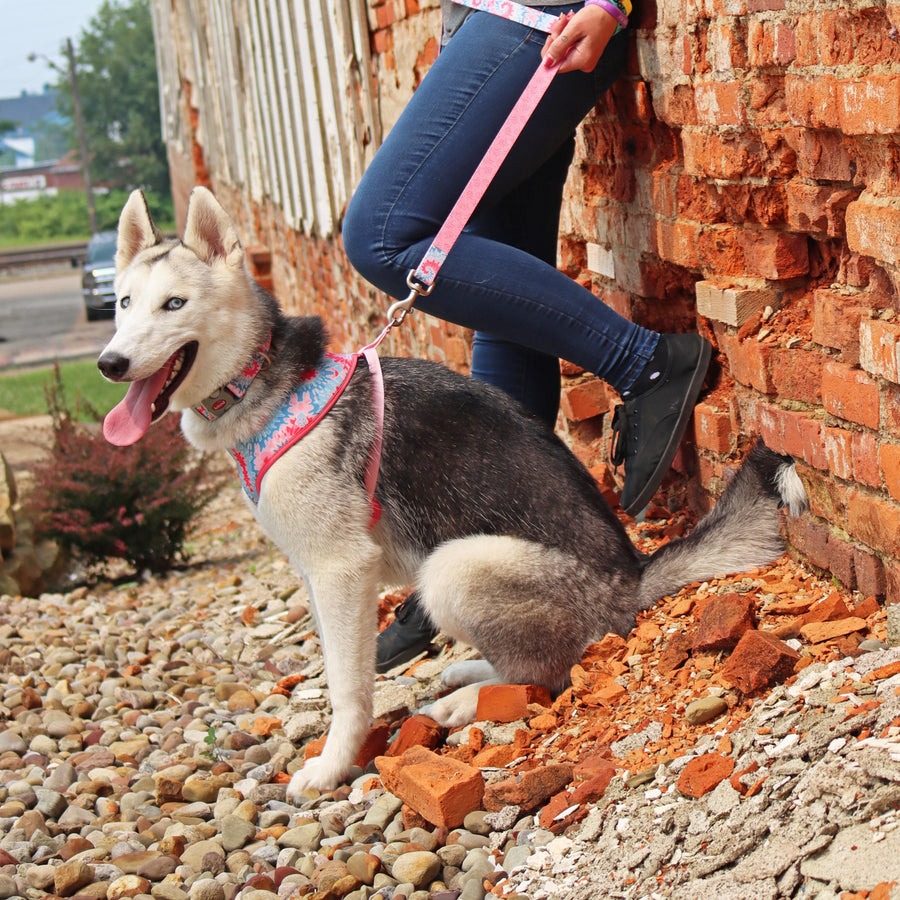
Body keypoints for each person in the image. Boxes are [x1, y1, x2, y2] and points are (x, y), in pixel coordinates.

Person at [341, 0, 712, 671]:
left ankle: (645, 363)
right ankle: (479, 544)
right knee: (505, 290)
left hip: (541, 15)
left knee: (381, 232)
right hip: (486, 20)